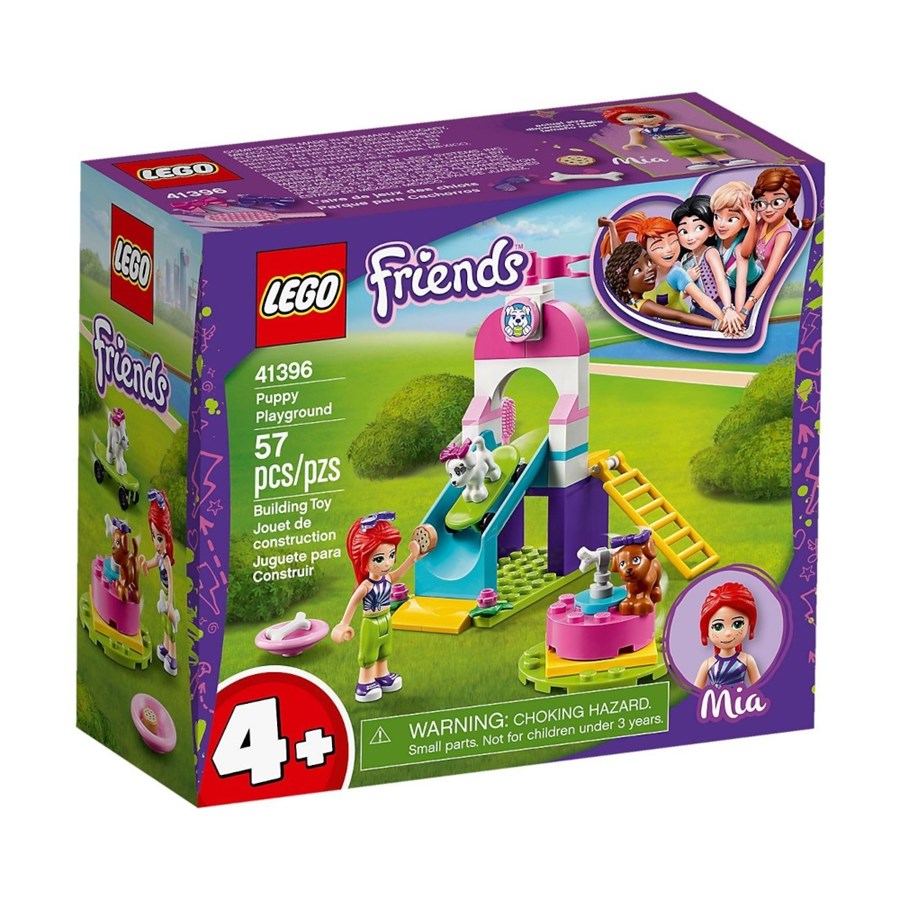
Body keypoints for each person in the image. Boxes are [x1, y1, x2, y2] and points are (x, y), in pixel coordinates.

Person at [331, 512, 421, 703]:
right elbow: (353, 602)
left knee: (384, 650)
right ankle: (364, 683)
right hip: (371, 623)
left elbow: (398, 573)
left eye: (391, 555)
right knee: (369, 653)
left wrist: (412, 558)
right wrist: (343, 624)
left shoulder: (387, 578)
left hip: (386, 619)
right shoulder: (366, 586)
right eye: (379, 559)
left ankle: (382, 675)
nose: (388, 563)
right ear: (363, 562)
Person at [742, 167, 814, 319]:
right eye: (762, 203)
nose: (768, 209)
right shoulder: (762, 223)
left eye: (777, 202)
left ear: (791, 202)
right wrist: (753, 223)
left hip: (774, 289)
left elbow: (770, 274)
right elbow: (745, 253)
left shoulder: (783, 234)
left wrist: (746, 309)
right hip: (757, 281)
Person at [603, 241, 723, 330]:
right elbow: (680, 316)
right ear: (624, 285)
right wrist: (716, 324)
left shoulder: (626, 305)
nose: (649, 269)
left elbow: (618, 263)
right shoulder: (643, 306)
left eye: (649, 261)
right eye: (638, 270)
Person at [601, 105, 755, 171]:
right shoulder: (638, 130)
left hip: (689, 139)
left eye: (648, 116)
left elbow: (695, 130)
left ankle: (728, 160)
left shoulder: (674, 125)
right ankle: (701, 162)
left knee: (709, 148)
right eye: (629, 119)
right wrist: (635, 144)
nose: (642, 120)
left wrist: (715, 134)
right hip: (670, 144)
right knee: (688, 154)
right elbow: (635, 139)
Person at [672, 195, 744, 335]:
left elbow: (721, 280)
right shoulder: (685, 259)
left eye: (699, 228)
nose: (690, 237)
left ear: (711, 230)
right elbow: (682, 295)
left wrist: (728, 308)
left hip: (718, 306)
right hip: (697, 310)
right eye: (684, 231)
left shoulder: (710, 253)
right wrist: (688, 280)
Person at [709, 181, 763, 317]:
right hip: (729, 287)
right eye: (717, 217)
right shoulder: (718, 237)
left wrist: (739, 315)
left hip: (750, 287)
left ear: (745, 222)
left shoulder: (739, 248)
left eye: (731, 219)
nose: (721, 225)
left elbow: (741, 284)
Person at [694, 582, 762, 689]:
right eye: (718, 626)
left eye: (737, 624)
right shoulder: (707, 664)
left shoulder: (747, 660)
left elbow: (760, 687)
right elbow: (695, 691)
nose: (728, 633)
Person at [141, 488, 178, 676]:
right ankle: (165, 647)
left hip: (169, 596)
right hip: (164, 594)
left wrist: (170, 604)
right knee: (164, 622)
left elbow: (171, 583)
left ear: (167, 538)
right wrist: (146, 564)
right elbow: (153, 562)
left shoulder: (168, 562)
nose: (156, 542)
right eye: (154, 537)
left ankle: (173, 657)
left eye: (160, 538)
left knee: (171, 626)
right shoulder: (160, 556)